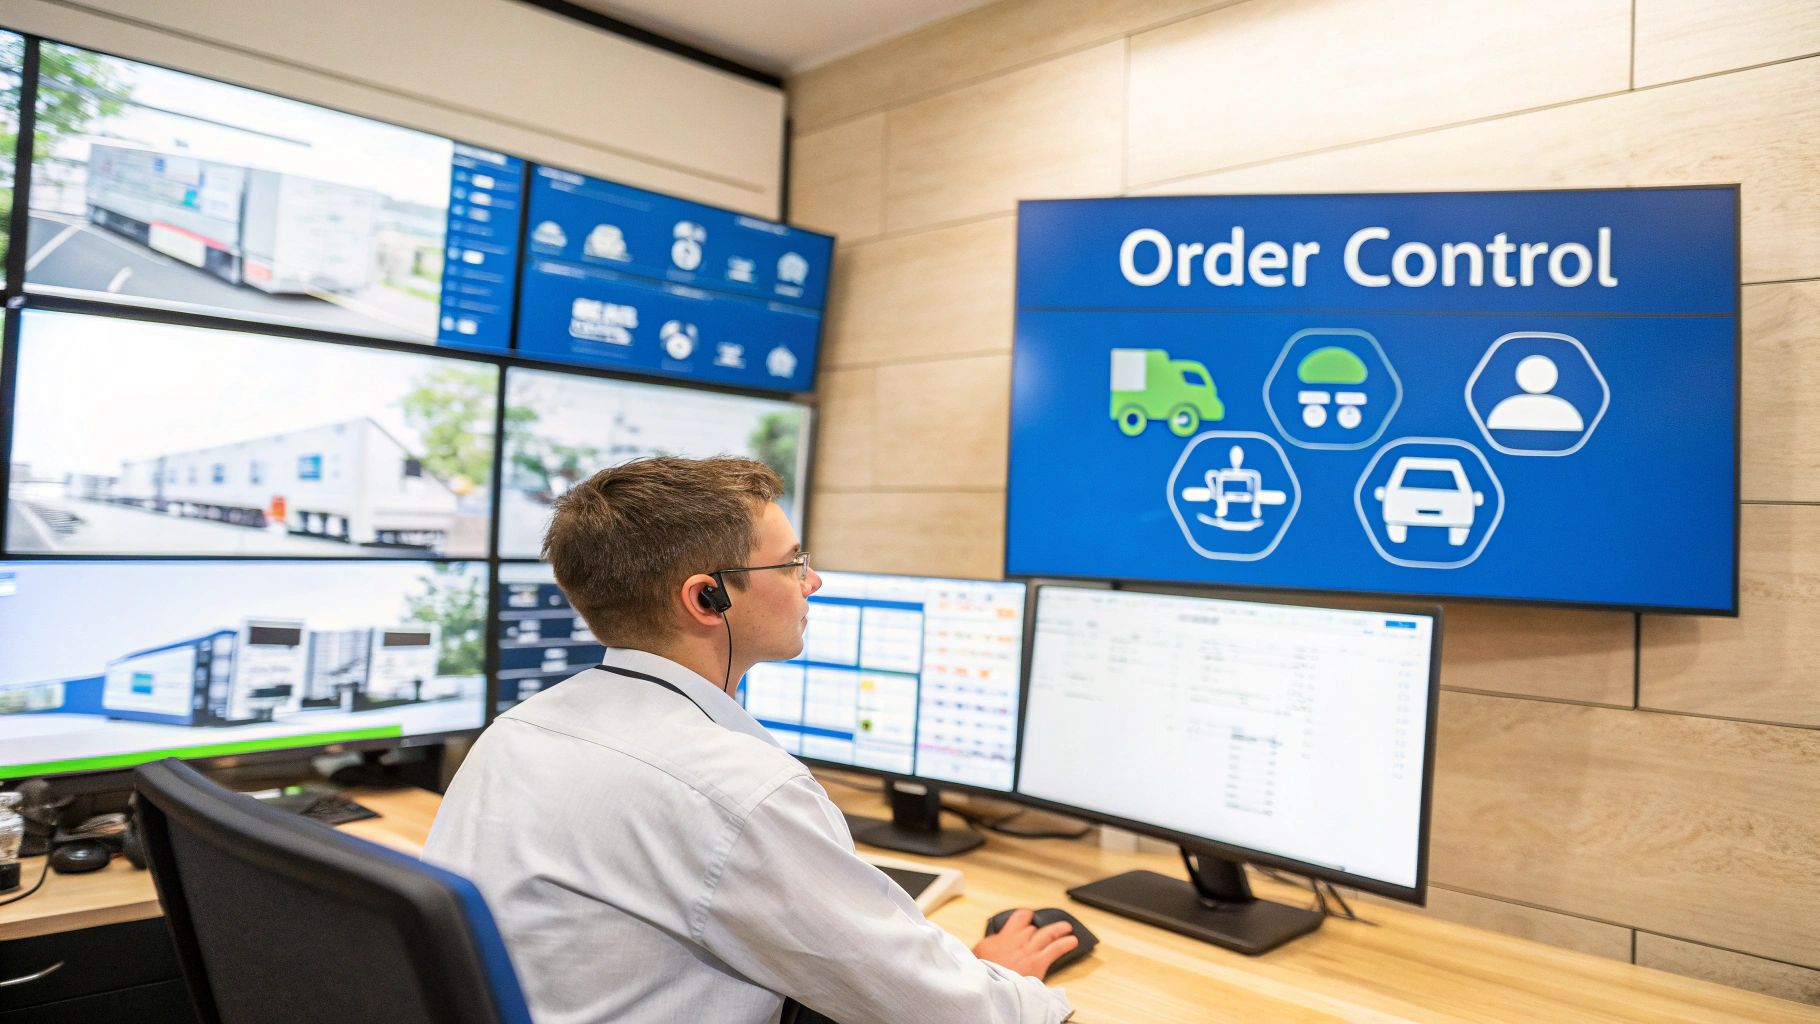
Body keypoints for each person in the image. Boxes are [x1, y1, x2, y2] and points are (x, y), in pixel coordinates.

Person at [424, 456, 1076, 1023]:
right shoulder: (739, 794)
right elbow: (945, 1011)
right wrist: (1004, 979)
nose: (812, 581)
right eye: (793, 562)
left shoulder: (515, 732)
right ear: (708, 599)